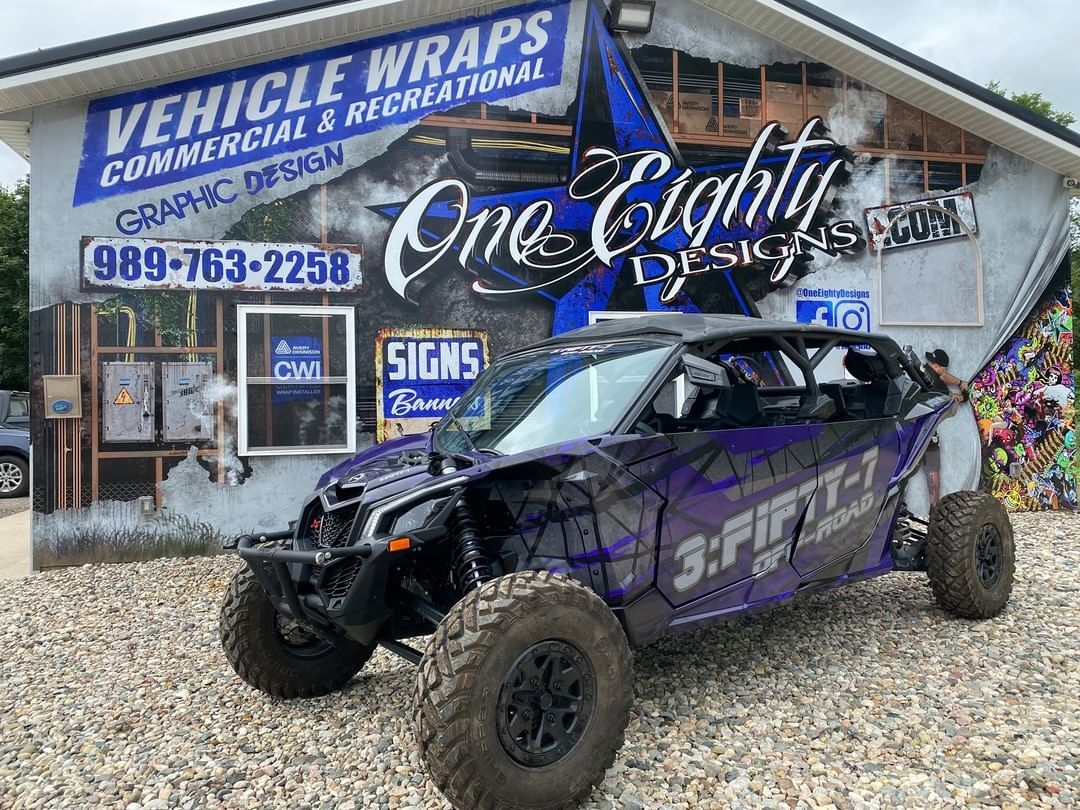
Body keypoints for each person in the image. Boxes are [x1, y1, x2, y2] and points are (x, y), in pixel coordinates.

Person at [920, 348, 969, 507]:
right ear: (939, 367)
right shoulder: (938, 386)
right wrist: (964, 396)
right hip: (924, 428)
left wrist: (960, 383)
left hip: (907, 425)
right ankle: (934, 508)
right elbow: (953, 398)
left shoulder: (920, 368)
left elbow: (942, 375)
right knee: (932, 467)